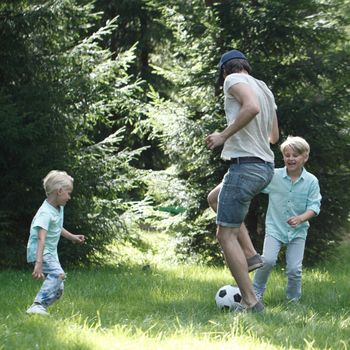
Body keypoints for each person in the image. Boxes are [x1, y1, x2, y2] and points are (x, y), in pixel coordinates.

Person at [206, 49, 279, 312]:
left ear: (225, 70)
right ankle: (250, 254)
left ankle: (250, 300)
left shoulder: (232, 79)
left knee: (224, 234)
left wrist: (224, 136)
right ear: (246, 65)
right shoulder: (263, 87)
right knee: (214, 198)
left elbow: (251, 107)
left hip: (246, 167)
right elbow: (273, 135)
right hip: (265, 166)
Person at [253, 136, 321, 302]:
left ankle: (293, 300)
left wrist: (300, 218)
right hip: (275, 228)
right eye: (287, 155)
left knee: (294, 269)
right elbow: (256, 185)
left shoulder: (311, 181)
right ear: (283, 157)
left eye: (295, 155)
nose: (291, 158)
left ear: (305, 157)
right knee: (267, 260)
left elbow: (314, 207)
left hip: (298, 231)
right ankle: (255, 293)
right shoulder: (274, 176)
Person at [26, 170, 85, 315]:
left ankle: (41, 308)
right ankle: (37, 305)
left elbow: (57, 227)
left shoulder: (59, 208)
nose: (69, 197)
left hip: (50, 252)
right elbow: (41, 238)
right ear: (59, 191)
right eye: (68, 193)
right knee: (58, 274)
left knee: (58, 288)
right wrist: (38, 264)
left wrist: (73, 237)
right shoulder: (45, 213)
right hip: (40, 252)